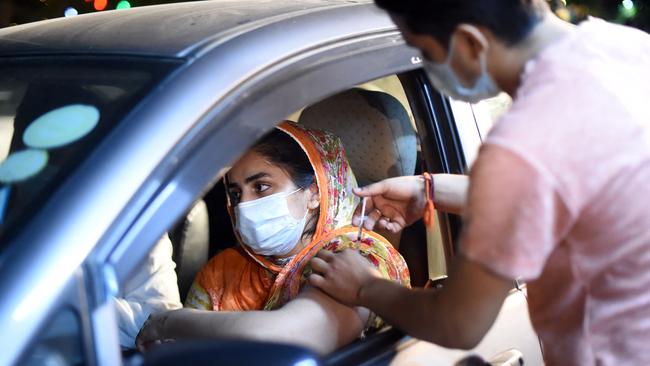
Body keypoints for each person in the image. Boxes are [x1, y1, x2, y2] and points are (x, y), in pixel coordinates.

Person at [308, 1, 650, 365]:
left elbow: (458, 323)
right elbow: (581, 191)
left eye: (425, 51)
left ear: (471, 43)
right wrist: (432, 190)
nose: (427, 64)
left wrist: (366, 286)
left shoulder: (521, 147)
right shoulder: (628, 48)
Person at [135, 121, 410, 354]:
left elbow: (290, 336)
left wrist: (169, 322)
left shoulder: (356, 256)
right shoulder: (224, 271)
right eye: (236, 193)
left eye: (261, 187)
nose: (244, 205)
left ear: (314, 193)